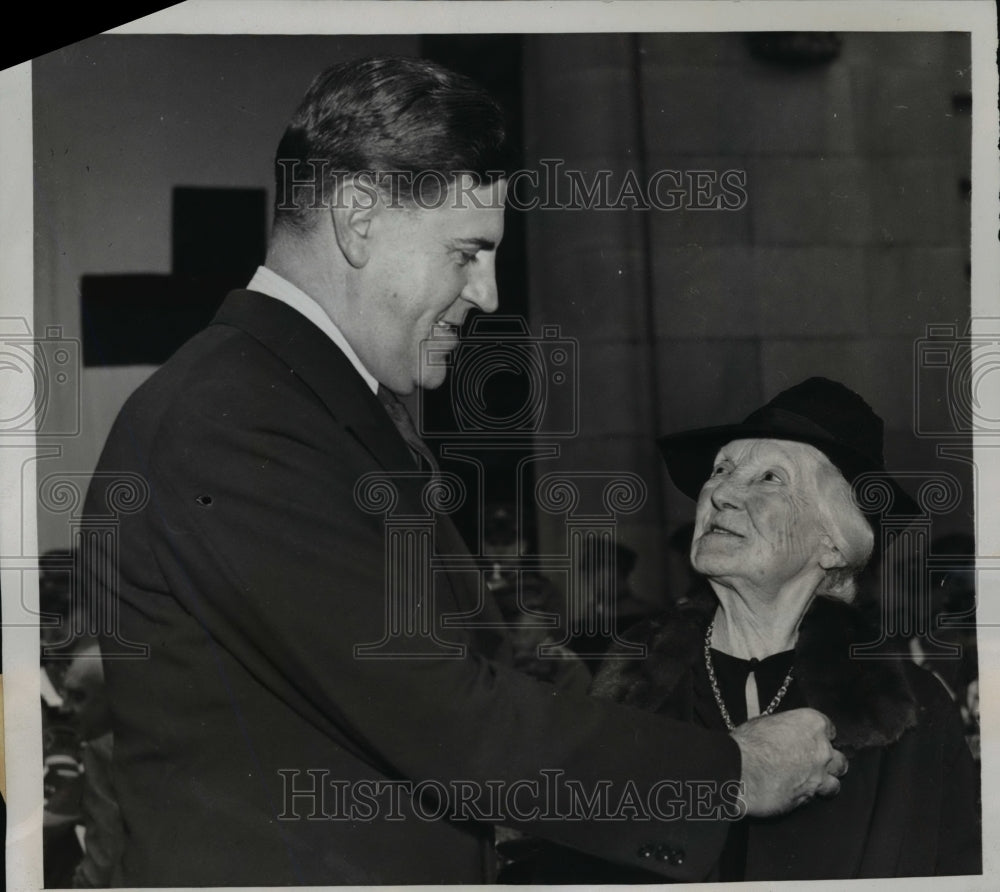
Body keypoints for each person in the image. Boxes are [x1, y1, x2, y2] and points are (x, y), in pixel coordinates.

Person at [83, 57, 846, 885]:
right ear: (359, 217)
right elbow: (450, 718)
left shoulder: (305, 404)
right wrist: (729, 773)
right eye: (466, 252)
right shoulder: (233, 417)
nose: (485, 293)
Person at [503, 377, 981, 881]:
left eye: (770, 478)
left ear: (834, 544)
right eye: (721, 470)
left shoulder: (914, 711)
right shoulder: (634, 684)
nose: (722, 493)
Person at [61, 643, 125, 887]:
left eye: (78, 697)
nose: (65, 708)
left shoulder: (101, 752)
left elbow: (102, 863)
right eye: (64, 693)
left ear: (115, 699)